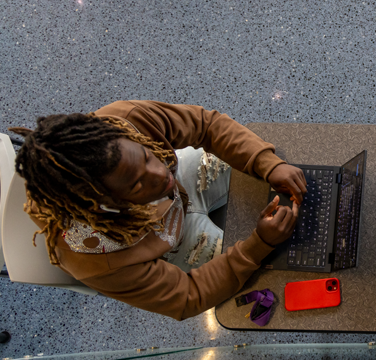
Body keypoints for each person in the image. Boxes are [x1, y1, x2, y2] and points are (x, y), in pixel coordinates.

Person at [11, 100, 307, 320]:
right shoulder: (97, 259)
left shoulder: (121, 123)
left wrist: (267, 163)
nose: (161, 172)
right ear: (103, 205)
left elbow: (206, 125)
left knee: (283, 167)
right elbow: (189, 296)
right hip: (173, 246)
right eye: (137, 185)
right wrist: (258, 245)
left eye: (145, 155)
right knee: (281, 264)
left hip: (186, 184)